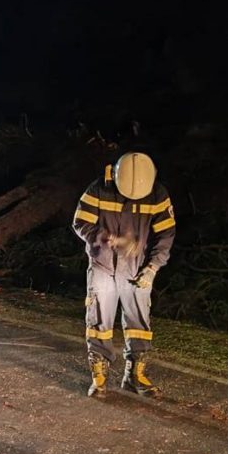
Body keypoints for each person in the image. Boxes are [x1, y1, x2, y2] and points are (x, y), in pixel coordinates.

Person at [72, 152, 175, 398]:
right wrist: (109, 239)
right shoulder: (98, 190)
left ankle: (134, 376)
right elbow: (80, 222)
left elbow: (166, 235)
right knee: (99, 321)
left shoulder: (157, 194)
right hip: (103, 265)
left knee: (139, 323)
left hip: (138, 268)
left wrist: (152, 268)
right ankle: (99, 378)